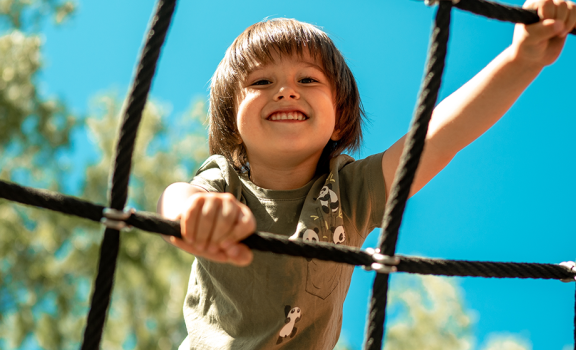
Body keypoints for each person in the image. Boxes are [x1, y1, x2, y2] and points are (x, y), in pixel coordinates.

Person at [157, 0, 576, 348]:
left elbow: (438, 137)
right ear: (233, 123)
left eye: (307, 78)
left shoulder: (349, 194)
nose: (286, 90)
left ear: (339, 121)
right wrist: (195, 213)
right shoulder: (226, 182)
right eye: (262, 81)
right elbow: (178, 196)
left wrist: (521, 59)